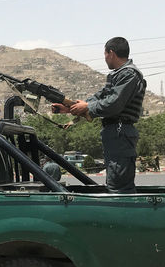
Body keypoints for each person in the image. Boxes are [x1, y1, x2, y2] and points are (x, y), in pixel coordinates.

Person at [52, 37, 146, 193]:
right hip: (116, 133)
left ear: (111, 53)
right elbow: (100, 96)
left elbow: (113, 103)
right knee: (114, 182)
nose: (104, 58)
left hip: (120, 133)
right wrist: (70, 108)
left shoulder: (129, 74)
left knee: (119, 186)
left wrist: (87, 106)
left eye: (105, 53)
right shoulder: (119, 74)